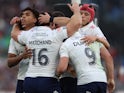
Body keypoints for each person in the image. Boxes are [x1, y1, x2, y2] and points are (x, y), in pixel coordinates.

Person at [11, 3, 82, 93]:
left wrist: (17, 23)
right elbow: (77, 23)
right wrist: (76, 11)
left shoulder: (28, 34)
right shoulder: (56, 34)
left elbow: (14, 34)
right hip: (48, 80)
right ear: (52, 25)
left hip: (29, 80)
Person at [39, 4, 110, 49]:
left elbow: (107, 45)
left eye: (86, 14)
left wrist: (96, 38)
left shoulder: (94, 29)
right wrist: (50, 19)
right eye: (81, 13)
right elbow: (66, 20)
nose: (82, 16)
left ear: (91, 18)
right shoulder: (75, 23)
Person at [7, 7, 39, 93]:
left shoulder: (42, 35)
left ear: (35, 19)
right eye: (22, 15)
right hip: (23, 79)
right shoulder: (14, 39)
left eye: (27, 14)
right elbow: (9, 63)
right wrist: (22, 56)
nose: (23, 17)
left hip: (41, 78)